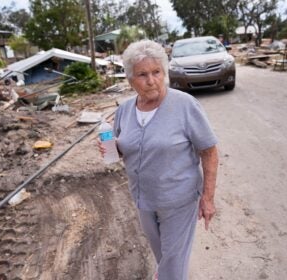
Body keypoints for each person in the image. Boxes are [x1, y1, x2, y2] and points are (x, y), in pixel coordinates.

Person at [98, 40, 218, 280]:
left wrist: (207, 198)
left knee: (172, 265)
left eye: (156, 72)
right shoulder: (124, 110)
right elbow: (126, 147)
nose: (151, 80)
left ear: (164, 72)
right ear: (131, 80)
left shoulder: (185, 105)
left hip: (179, 200)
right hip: (143, 199)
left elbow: (209, 151)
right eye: (142, 74)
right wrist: (112, 149)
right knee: (163, 254)